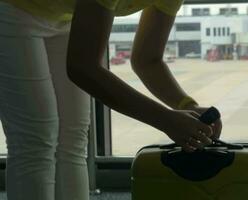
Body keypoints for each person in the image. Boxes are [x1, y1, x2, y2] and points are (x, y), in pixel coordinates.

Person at [0, 0, 223, 199]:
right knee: (35, 139)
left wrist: (188, 106)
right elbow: (83, 68)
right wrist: (166, 120)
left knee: (73, 137)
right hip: (12, 8)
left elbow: (148, 60)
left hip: (63, 15)